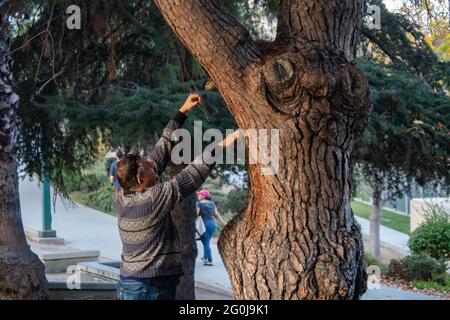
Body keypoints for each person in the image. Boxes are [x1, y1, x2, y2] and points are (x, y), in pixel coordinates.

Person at [115, 94, 241, 300]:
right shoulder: (154, 199)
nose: (155, 170)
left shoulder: (123, 195)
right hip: (150, 288)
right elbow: (193, 173)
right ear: (140, 180)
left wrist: (182, 112)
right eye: (151, 171)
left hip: (130, 284)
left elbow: (159, 154)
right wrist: (225, 143)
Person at [196, 190, 226, 266]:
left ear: (204, 196)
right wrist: (223, 223)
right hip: (212, 224)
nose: (198, 196)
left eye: (199, 195)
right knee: (207, 241)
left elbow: (196, 214)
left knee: (206, 243)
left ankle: (210, 260)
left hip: (203, 225)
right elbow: (216, 215)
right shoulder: (212, 203)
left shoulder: (198, 203)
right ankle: (205, 258)